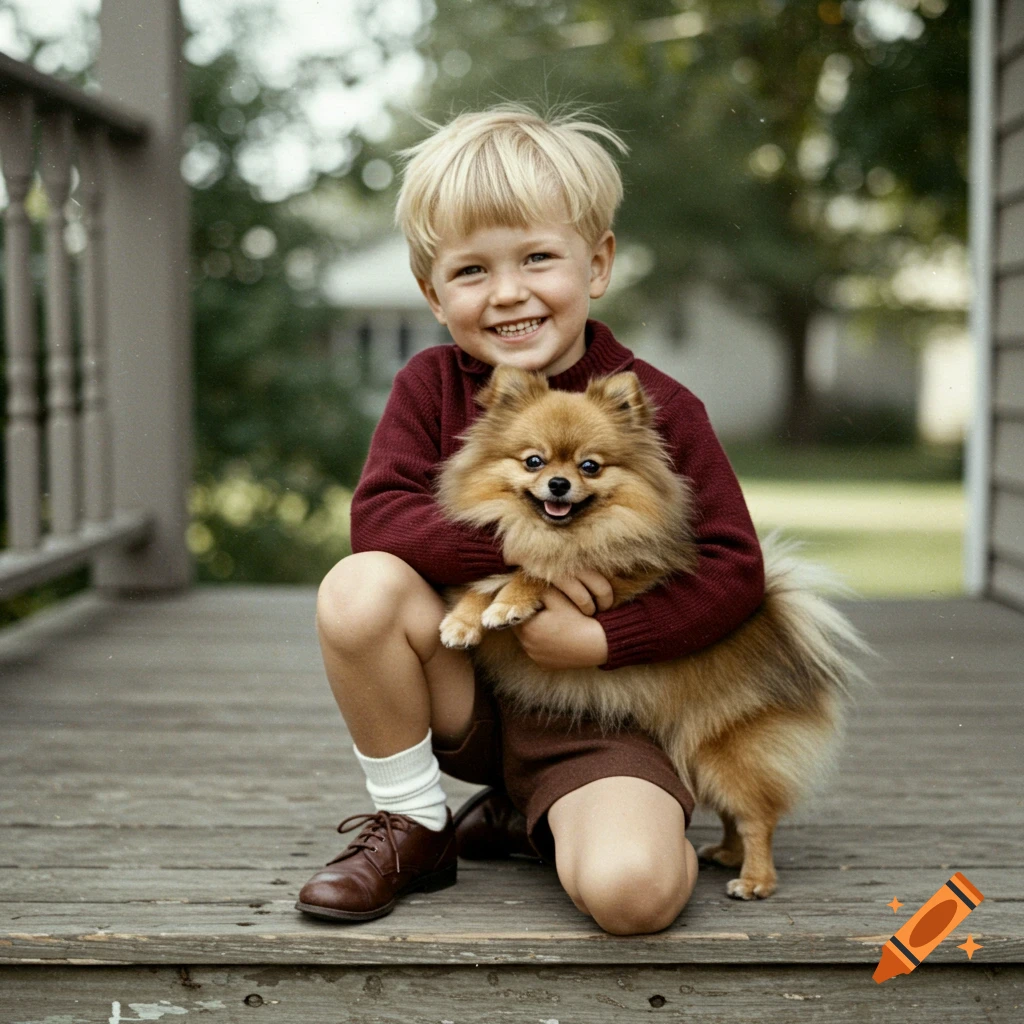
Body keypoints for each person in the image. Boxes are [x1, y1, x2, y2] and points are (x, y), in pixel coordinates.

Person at [295, 102, 765, 935]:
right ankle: (415, 824)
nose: (508, 293)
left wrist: (604, 640)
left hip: (602, 717)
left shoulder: (657, 406)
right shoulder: (429, 386)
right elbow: (380, 517)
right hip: (467, 689)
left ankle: (550, 815)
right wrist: (526, 553)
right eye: (471, 271)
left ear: (597, 264)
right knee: (358, 587)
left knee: (633, 899)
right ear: (431, 293)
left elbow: (734, 570)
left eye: (538, 258)